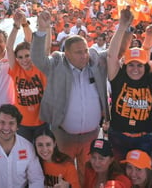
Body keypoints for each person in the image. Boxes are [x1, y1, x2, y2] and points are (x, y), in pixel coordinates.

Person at [31, 10, 110, 185]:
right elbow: (37, 59)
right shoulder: (57, 63)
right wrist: (42, 29)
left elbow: (116, 53)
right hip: (64, 135)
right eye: (78, 52)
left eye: (85, 51)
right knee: (63, 175)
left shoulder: (95, 62)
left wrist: (124, 29)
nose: (84, 56)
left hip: (91, 135)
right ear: (67, 54)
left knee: (88, 175)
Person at [107, 8, 152, 161]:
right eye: (131, 65)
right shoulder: (118, 78)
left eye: (139, 65)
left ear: (145, 66)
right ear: (125, 66)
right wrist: (121, 26)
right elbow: (111, 55)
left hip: (143, 139)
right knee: (119, 173)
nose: (135, 69)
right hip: (118, 136)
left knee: (141, 177)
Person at [0, 104, 44, 187]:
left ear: (17, 126)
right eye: (2, 122)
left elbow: (36, 179)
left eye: (11, 123)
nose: (6, 127)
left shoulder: (28, 147)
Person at [7, 10, 48, 142]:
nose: (24, 60)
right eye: (20, 57)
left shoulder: (40, 66)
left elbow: (36, 44)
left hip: (43, 122)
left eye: (27, 56)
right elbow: (8, 47)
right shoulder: (16, 69)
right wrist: (16, 26)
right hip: (23, 124)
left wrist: (25, 25)